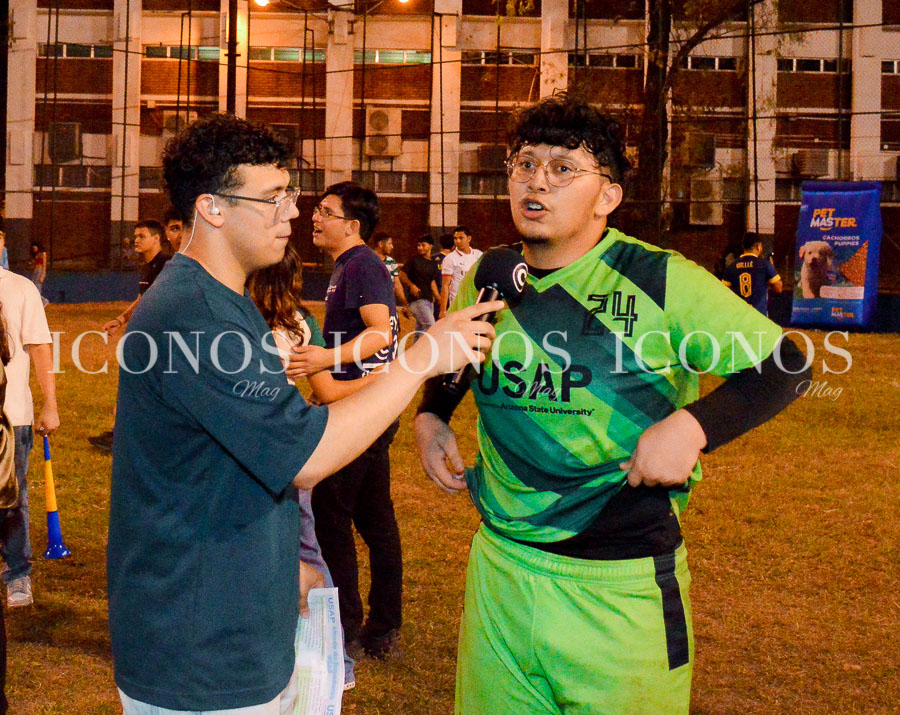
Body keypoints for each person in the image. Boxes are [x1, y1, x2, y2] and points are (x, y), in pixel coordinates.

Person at [414, 94, 811, 714]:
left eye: (563, 169)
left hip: (620, 581)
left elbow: (786, 364)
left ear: (607, 196)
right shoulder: (490, 273)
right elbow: (459, 351)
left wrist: (692, 426)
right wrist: (433, 413)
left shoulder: (658, 279)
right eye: (525, 164)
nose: (537, 182)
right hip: (500, 570)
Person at [106, 113, 500, 713]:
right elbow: (307, 454)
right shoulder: (196, 315)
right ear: (212, 208)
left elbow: (222, 463)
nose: (291, 213)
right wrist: (420, 359)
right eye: (272, 198)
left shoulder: (222, 300)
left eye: (289, 195)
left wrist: (277, 567)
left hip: (225, 615)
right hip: (199, 650)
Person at [290, 182, 404, 659]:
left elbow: (381, 333)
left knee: (332, 517)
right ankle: (382, 628)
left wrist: (325, 359)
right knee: (376, 521)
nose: (315, 218)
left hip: (361, 412)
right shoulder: (349, 266)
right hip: (364, 405)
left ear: (353, 226)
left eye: (326, 211)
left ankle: (348, 629)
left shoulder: (362, 265)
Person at [0, 256, 59, 608]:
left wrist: (50, 405)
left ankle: (18, 573)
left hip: (12, 416)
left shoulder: (21, 288)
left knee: (11, 499)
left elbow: (39, 347)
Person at [103, 220, 170, 337]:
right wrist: (120, 320)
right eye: (136, 236)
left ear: (156, 238)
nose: (136, 240)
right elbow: (142, 299)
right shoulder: (146, 267)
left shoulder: (169, 265)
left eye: (142, 236)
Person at [722, 232, 783, 316]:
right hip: (758, 316)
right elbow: (778, 289)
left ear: (743, 247)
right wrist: (772, 269)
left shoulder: (731, 266)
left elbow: (724, 291)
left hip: (739, 316)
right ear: (758, 247)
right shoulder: (765, 264)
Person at [399, 234, 441, 339]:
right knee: (429, 326)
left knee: (421, 330)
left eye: (423, 245)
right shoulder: (414, 260)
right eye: (418, 245)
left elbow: (432, 281)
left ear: (431, 246)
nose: (420, 248)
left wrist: (438, 297)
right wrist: (411, 285)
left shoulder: (432, 263)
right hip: (417, 299)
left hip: (429, 300)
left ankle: (415, 348)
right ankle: (423, 348)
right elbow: (402, 275)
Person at [439, 225, 482, 318]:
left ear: (469, 238)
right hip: (458, 304)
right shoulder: (450, 259)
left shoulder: (478, 255)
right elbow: (445, 285)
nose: (457, 241)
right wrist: (443, 310)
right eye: (455, 238)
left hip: (475, 302)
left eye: (461, 238)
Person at [370, 231, 410, 318]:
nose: (392, 247)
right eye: (389, 244)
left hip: (389, 303)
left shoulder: (391, 261)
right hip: (372, 305)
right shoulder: (368, 259)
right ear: (380, 244)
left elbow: (397, 285)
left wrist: (404, 303)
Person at [432, 232, 453, 321]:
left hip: (439, 297)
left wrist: (437, 296)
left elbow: (431, 279)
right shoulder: (455, 258)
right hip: (453, 296)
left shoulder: (433, 258)